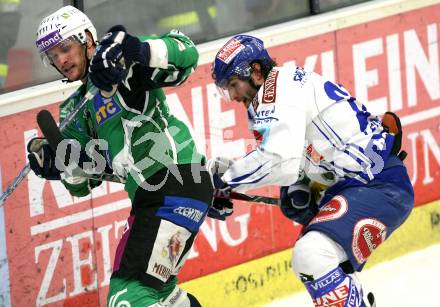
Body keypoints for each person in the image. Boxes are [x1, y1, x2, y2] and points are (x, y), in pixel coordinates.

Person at [28, 5, 213, 306]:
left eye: (65, 48)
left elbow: (186, 53)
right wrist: (58, 162)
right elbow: (81, 184)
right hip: (156, 195)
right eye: (53, 55)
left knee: (126, 298)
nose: (61, 59)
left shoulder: (117, 62)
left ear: (88, 38)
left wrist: (134, 49)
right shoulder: (74, 112)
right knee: (160, 293)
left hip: (172, 182)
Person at [209, 34, 414, 306]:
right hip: (354, 185)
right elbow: (295, 161)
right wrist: (300, 184)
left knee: (313, 255)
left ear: (256, 71)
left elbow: (280, 160)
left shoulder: (278, 91)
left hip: (378, 186)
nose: (233, 96)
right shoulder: (274, 91)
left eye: (234, 85)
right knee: (314, 255)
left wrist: (224, 182)